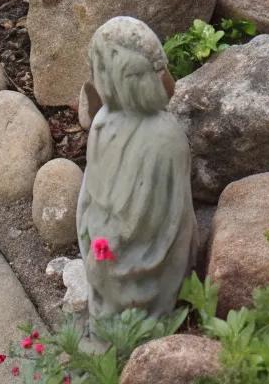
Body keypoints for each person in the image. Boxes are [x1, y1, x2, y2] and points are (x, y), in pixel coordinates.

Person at [77, 16, 196, 329]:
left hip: (143, 252)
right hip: (105, 248)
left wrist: (114, 237)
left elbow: (167, 220)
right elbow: (90, 192)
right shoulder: (103, 122)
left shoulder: (164, 137)